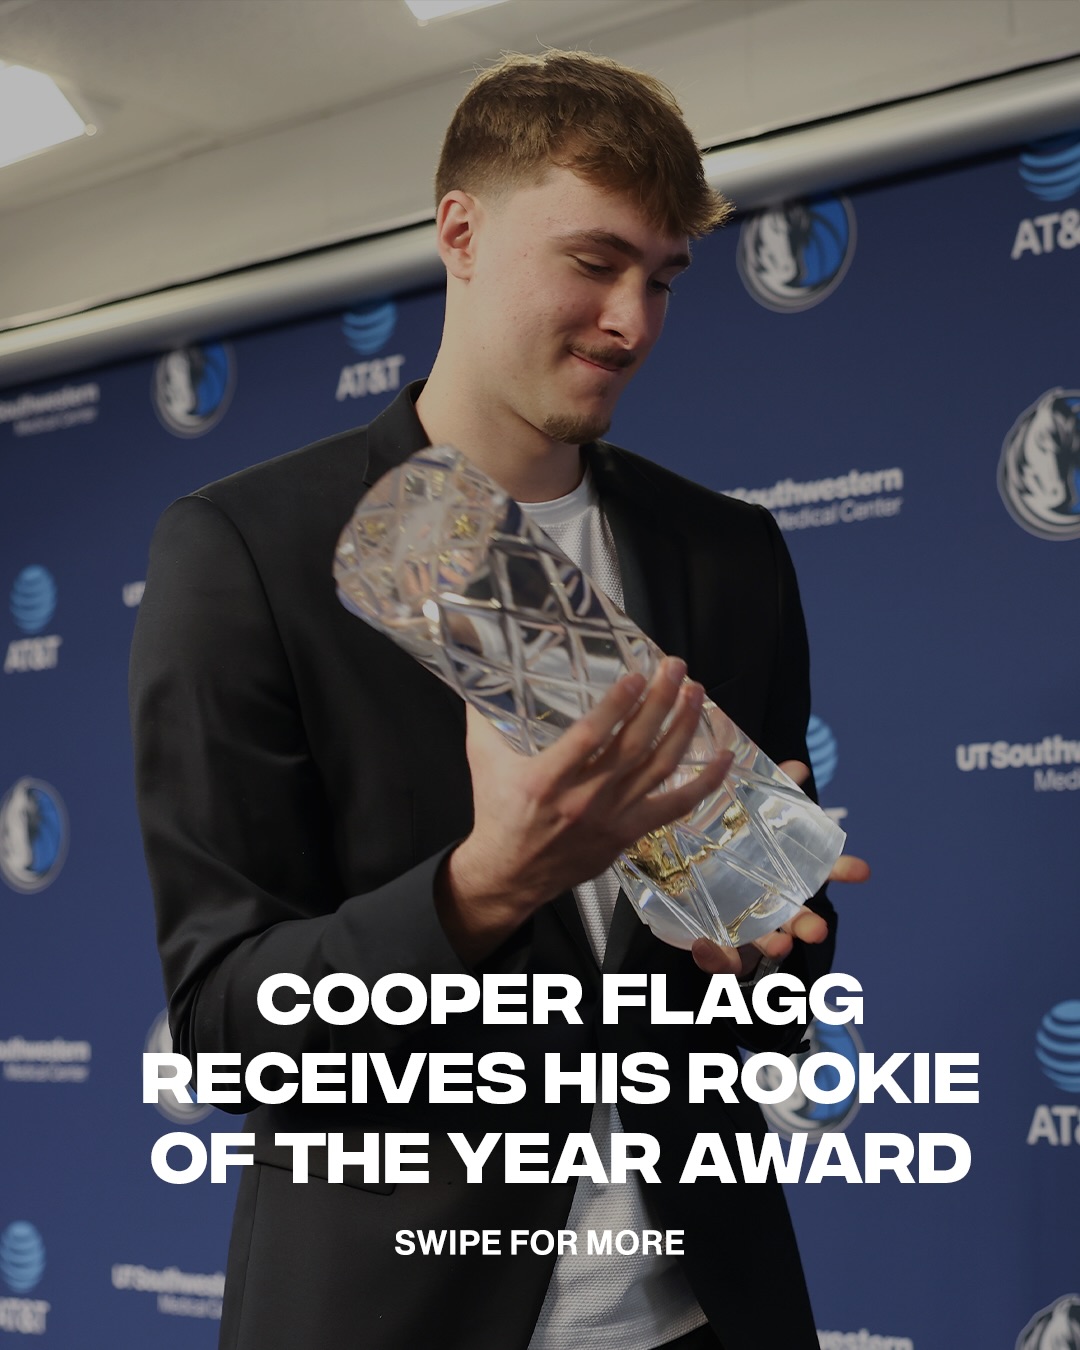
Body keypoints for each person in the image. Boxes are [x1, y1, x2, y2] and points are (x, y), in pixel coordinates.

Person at [131, 49, 865, 1350]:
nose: (632, 322)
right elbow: (227, 1029)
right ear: (459, 232)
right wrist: (482, 888)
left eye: (662, 278)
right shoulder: (250, 551)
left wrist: (766, 928)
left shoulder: (729, 553)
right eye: (594, 262)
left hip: (703, 1308)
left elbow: (776, 986)